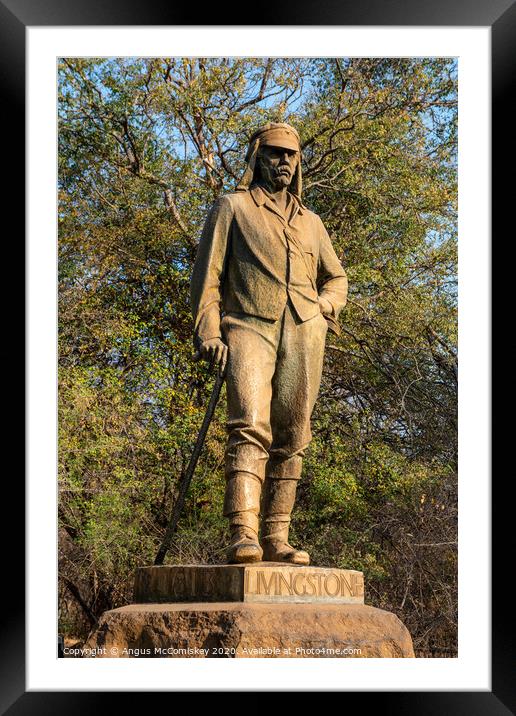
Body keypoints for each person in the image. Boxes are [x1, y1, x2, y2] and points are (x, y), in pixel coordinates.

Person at [190, 122, 348, 565]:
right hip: (248, 326)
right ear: (258, 155)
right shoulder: (233, 207)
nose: (284, 161)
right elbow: (208, 279)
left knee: (293, 434)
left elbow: (336, 277)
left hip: (303, 331)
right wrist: (209, 331)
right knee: (249, 424)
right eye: (276, 153)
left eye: (291, 155)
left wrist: (324, 309)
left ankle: (277, 537)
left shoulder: (311, 222)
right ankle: (244, 533)